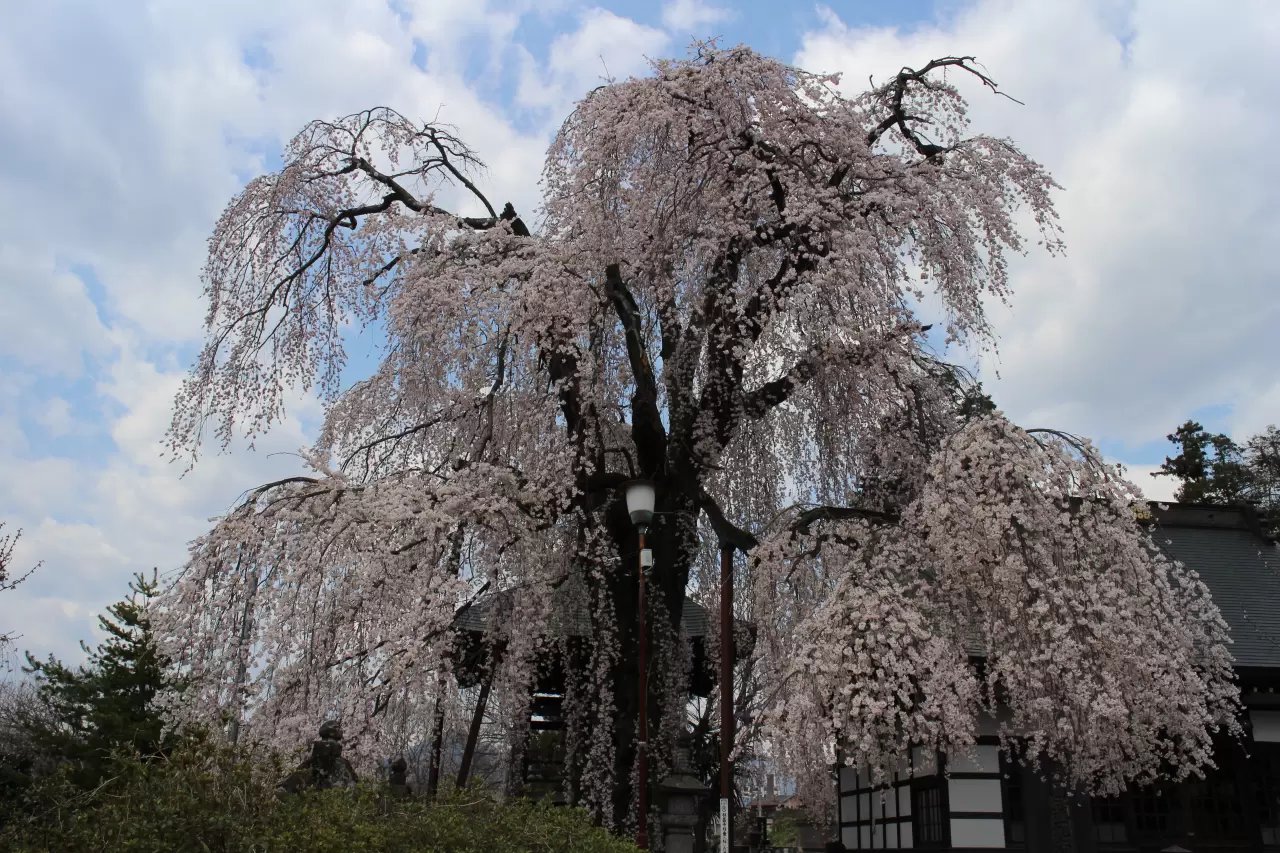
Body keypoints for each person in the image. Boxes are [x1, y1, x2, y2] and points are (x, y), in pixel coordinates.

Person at [278, 720, 359, 793]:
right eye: (337, 728)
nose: (341, 731)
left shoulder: (339, 761)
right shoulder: (335, 759)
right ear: (330, 731)